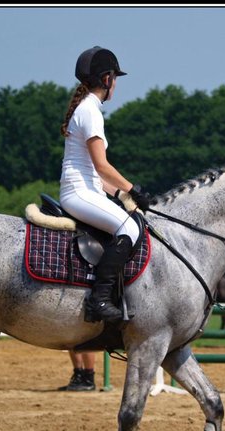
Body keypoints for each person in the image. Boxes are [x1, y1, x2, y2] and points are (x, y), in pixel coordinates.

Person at [59, 46, 151, 323]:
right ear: (107, 79)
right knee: (128, 228)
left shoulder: (87, 108)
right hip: (78, 193)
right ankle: (98, 300)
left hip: (87, 189)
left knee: (132, 218)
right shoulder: (90, 111)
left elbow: (97, 176)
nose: (116, 85)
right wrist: (133, 188)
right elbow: (102, 166)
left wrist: (123, 195)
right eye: (116, 78)